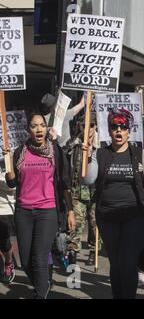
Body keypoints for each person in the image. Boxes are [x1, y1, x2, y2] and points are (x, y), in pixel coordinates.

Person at [82, 108, 144, 299]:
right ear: (110, 131)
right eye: (114, 127)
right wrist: (86, 157)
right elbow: (88, 180)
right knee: (116, 262)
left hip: (135, 216)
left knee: (128, 261)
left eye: (122, 127)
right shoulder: (100, 154)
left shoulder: (141, 154)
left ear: (129, 130)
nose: (118, 131)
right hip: (107, 216)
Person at [5, 112, 75, 299]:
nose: (39, 129)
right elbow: (12, 183)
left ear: (46, 127)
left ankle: (40, 293)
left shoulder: (55, 150)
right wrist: (9, 169)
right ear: (29, 129)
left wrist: (70, 211)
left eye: (42, 125)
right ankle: (44, 283)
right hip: (23, 211)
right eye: (34, 126)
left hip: (47, 210)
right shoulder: (20, 151)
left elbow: (64, 182)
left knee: (39, 257)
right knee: (26, 261)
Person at [66, 114, 100, 266]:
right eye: (85, 125)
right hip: (77, 191)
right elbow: (65, 155)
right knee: (76, 224)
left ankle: (94, 250)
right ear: (80, 126)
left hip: (95, 192)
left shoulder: (102, 144)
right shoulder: (74, 143)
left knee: (94, 225)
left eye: (91, 125)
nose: (88, 129)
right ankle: (73, 250)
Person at [0, 159, 16, 284]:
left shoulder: (15, 158)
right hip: (1, 207)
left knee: (4, 242)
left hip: (11, 207)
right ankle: (5, 263)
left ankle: (9, 262)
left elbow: (12, 185)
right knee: (2, 241)